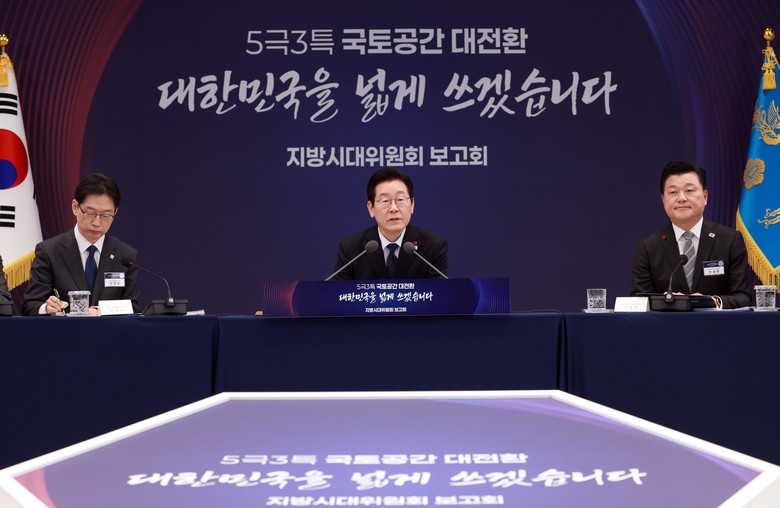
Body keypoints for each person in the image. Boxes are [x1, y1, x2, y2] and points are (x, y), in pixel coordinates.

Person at [631, 160, 751, 309]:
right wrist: (665, 301)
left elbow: (743, 296)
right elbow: (638, 300)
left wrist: (713, 301)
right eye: (673, 192)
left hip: (715, 323)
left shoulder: (730, 240)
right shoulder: (649, 245)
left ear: (705, 197)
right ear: (663, 200)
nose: (681, 198)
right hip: (668, 323)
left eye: (689, 190)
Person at [23, 173, 140, 315]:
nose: (97, 222)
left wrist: (100, 311)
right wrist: (47, 308)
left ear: (115, 212)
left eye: (105, 215)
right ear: (75, 207)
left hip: (109, 330)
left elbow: (133, 307)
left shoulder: (125, 255)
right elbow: (30, 305)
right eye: (90, 213)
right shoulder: (49, 251)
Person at [332, 167, 448, 280]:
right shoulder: (352, 249)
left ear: (412, 204)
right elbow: (337, 291)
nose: (394, 208)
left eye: (400, 200)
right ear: (371, 208)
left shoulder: (433, 247)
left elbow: (438, 291)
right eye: (385, 201)